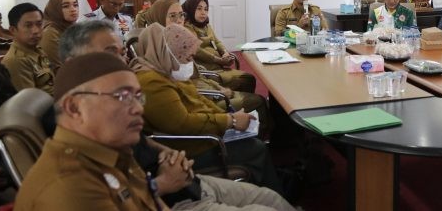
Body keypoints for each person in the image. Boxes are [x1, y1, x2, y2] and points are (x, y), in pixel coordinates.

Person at [57, 21, 294, 211]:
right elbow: (109, 198)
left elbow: (142, 143)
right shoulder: (69, 149)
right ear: (72, 64)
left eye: (121, 53)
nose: (122, 61)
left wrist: (166, 153)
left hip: (184, 181)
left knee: (270, 199)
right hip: (175, 197)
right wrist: (159, 185)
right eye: (109, 53)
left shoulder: (112, 104)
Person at [131, 24, 281, 193]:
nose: (190, 63)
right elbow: (181, 123)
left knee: (252, 142)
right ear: (170, 54)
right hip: (188, 148)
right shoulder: (151, 82)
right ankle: (275, 196)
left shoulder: (166, 70)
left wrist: (227, 115)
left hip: (203, 134)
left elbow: (198, 99)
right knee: (257, 148)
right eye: (188, 58)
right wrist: (230, 121)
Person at [14, 52, 166, 210]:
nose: (139, 108)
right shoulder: (69, 186)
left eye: (138, 96)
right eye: (122, 96)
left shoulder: (111, 153)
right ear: (74, 108)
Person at [181, 0, 271, 135]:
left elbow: (217, 42)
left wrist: (225, 53)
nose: (203, 12)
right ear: (190, 10)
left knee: (249, 78)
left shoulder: (206, 25)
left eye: (206, 9)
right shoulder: (187, 29)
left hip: (218, 67)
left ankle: (245, 116)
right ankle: (246, 119)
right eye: (199, 9)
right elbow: (198, 51)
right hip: (210, 72)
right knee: (248, 82)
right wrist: (217, 59)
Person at [1, 3, 54, 94]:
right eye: (28, 26)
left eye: (39, 24)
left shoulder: (37, 50)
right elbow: (29, 100)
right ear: (13, 30)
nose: (36, 31)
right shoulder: (17, 60)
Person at [39, 0, 79, 70]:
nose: (73, 9)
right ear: (55, 10)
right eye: (66, 6)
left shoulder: (74, 29)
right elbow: (57, 68)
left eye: (75, 5)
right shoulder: (50, 33)